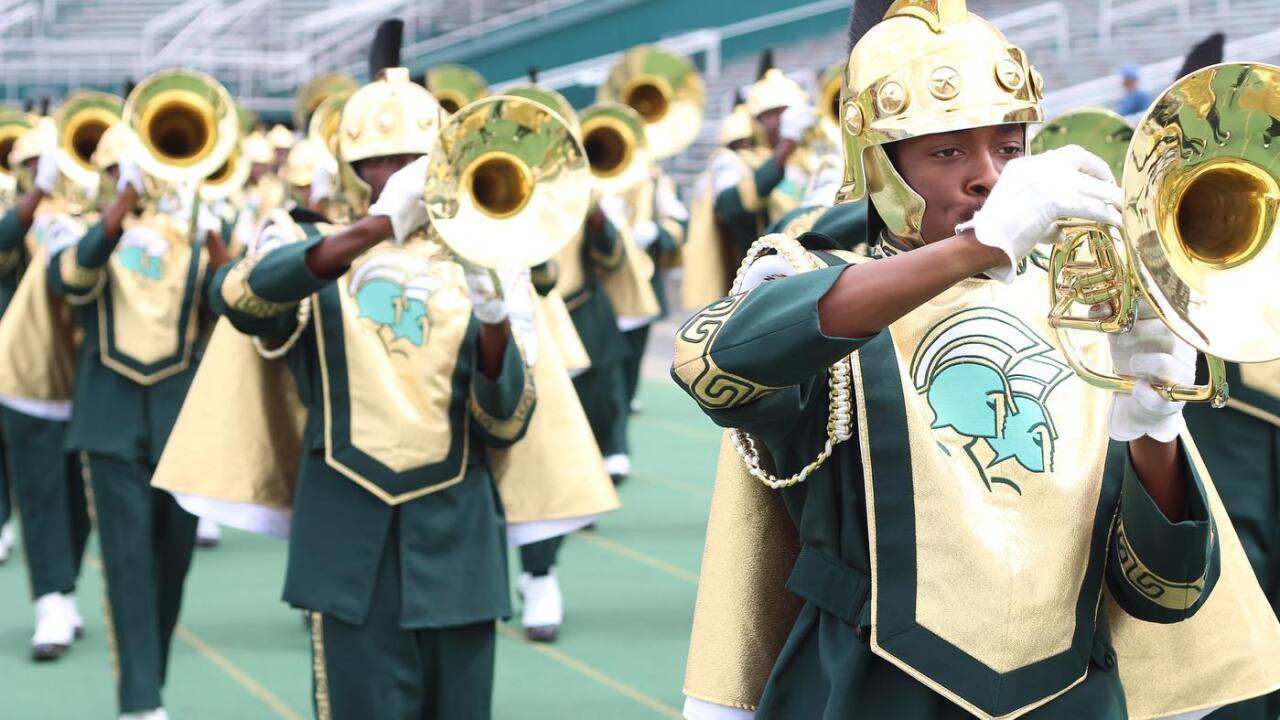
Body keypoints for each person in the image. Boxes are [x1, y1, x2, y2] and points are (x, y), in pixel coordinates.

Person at [674, 1, 1280, 718]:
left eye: (1008, 147)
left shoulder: (1082, 293)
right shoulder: (808, 274)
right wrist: (977, 248)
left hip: (1068, 695)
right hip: (865, 691)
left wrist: (1152, 430)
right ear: (881, 162)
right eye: (947, 151)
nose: (987, 176)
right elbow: (716, 364)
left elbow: (1165, 589)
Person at [172, 25, 567, 716]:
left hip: (457, 543)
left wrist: (497, 320)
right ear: (353, 169)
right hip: (347, 540)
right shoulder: (303, 240)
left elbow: (504, 421)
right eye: (380, 160)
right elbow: (236, 298)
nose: (400, 174)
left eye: (414, 158)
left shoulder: (493, 253)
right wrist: (376, 228)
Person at [45, 72, 231, 720]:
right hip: (108, 419)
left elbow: (225, 303)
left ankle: (147, 680)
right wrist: (120, 209)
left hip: (182, 421)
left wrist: (216, 240)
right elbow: (70, 281)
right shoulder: (78, 228)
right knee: (126, 561)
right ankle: (141, 701)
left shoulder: (200, 226)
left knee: (172, 562)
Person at [0, 115, 97, 662]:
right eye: (34, 164)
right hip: (28, 376)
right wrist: (38, 197)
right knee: (39, 495)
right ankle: (50, 602)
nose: (49, 171)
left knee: (82, 499)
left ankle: (65, 587)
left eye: (52, 162)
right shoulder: (14, 217)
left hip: (86, 378)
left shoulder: (93, 213)